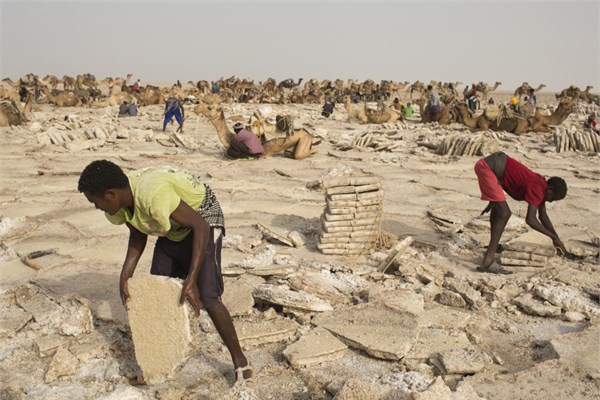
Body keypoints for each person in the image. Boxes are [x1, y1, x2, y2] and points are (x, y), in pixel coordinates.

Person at [77, 160, 253, 384]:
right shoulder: (119, 206)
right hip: (174, 226)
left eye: (95, 202)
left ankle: (241, 362)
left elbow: (199, 226)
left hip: (203, 218)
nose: (96, 207)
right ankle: (157, 366)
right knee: (157, 295)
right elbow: (138, 232)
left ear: (110, 194)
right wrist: (125, 276)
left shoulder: (153, 195)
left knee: (208, 296)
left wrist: (191, 279)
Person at [474, 151, 572, 274]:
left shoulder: (542, 186)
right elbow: (530, 219)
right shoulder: (538, 188)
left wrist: (558, 241)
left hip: (491, 166)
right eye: (553, 198)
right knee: (504, 213)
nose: (551, 201)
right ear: (550, 189)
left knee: (499, 210)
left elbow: (543, 216)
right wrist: (552, 236)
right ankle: (488, 260)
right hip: (487, 167)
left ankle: (491, 251)